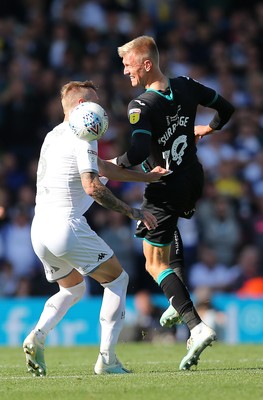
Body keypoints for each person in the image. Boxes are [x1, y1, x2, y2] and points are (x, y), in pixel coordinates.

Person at [22, 80, 169, 377]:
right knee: (117, 281)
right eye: (95, 104)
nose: (101, 111)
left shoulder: (54, 135)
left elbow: (101, 168)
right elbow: (93, 187)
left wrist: (145, 179)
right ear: (80, 107)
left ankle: (37, 334)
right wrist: (133, 212)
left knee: (73, 288)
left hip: (39, 231)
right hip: (67, 227)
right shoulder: (83, 135)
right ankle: (107, 359)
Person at [111, 36, 235, 370]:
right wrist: (208, 128)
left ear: (146, 64)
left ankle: (196, 326)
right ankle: (174, 301)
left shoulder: (141, 105)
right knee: (170, 234)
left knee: (153, 262)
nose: (125, 71)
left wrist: (112, 164)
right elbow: (226, 108)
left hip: (163, 186)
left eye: (128, 64)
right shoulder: (187, 85)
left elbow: (138, 154)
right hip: (193, 178)